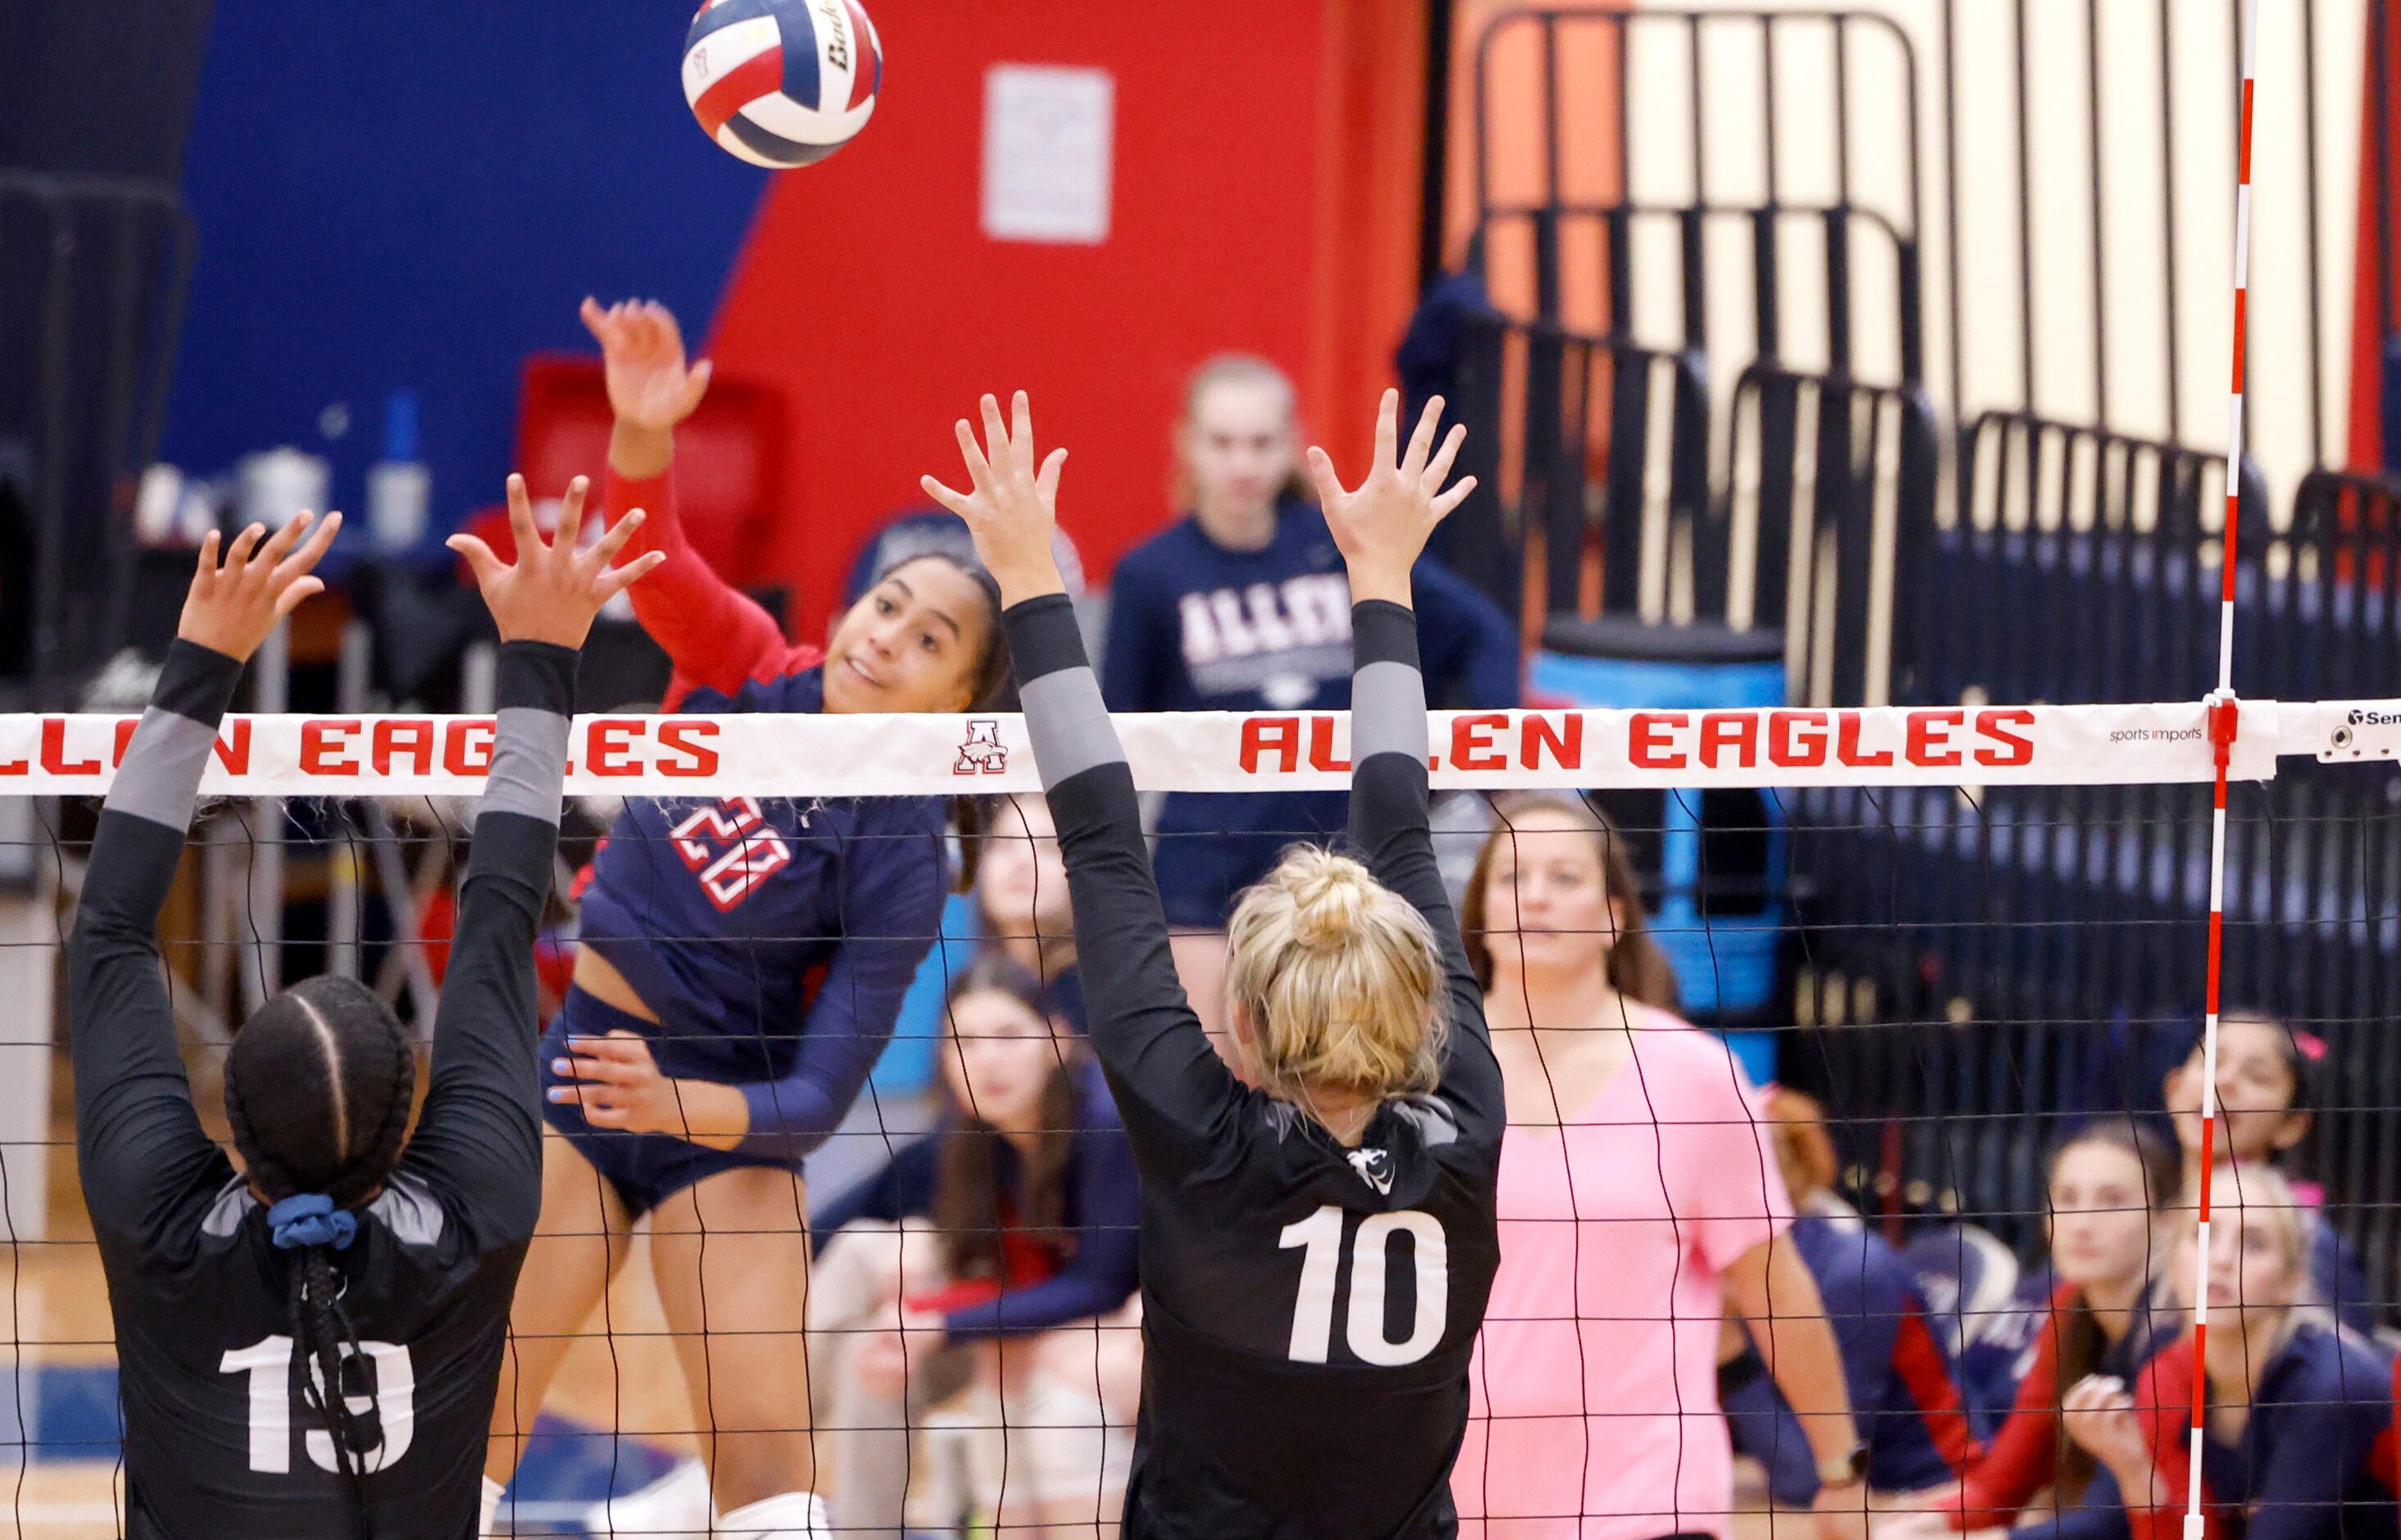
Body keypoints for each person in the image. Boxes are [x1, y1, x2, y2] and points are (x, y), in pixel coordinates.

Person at [923, 386, 1505, 1536]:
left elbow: (1093, 828)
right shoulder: (1469, 1125)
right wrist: (1384, 575)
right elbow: (1398, 821)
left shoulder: (1201, 1143)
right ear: (1419, 998)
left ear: (1240, 1015)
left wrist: (1027, 576)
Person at [488, 298, 1012, 1540]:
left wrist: (679, 1109)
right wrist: (641, 427)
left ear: (961, 700)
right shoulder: (749, 669)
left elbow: (821, 1100)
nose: (886, 637)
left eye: (930, 636)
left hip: (722, 1128)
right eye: (887, 604)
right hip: (582, 1083)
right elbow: (651, 550)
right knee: (466, 1437)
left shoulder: (901, 847)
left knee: (773, 1493)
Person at [70, 482, 660, 1538]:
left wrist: (204, 659)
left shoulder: (158, 1222)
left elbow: (109, 926)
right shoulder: (475, 1214)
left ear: (232, 1130)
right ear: (407, 1128)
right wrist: (542, 654)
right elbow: (500, 920)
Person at [1450, 791, 1866, 1540]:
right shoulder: (1425, 1068)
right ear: (1481, 910)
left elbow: (1774, 1287)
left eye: (1564, 877)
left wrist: (1842, 1469)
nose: (1536, 894)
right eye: (1513, 877)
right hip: (1448, 1494)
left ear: (1614, 915)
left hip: (1645, 1497)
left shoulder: (1693, 1075)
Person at [1100, 353, 1519, 1038]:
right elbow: (1118, 727)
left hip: (1346, 868)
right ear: (1187, 444)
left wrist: (1472, 762)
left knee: (1345, 1067)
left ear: (1292, 441)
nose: (1243, 463)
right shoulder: (1150, 574)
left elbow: (1481, 633)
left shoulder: (1339, 543)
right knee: (1214, 1080)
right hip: (1206, 873)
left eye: (1262, 442)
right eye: (1223, 442)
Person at [808, 955, 1139, 1538]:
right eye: (965, 1043)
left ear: (1058, 1041)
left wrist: (936, 1321)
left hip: (1131, 1328)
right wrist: (918, 1300)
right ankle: (762, 1458)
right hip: (1041, 1317)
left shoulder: (1106, 1123)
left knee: (1033, 1394)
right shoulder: (972, 1136)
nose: (987, 1059)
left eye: (1008, 1037)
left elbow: (1099, 1285)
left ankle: (744, 1457)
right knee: (875, 1345)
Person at [2058, 1162, 2396, 1540]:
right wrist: (2135, 1471)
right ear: (2173, 1261)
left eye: (2253, 1244)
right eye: (2203, 1236)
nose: (2219, 1260)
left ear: (2291, 1282)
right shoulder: (2166, 1375)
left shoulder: (2332, 1385)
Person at [1894, 1122, 2180, 1533]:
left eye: (2112, 1201)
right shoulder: (2067, 1309)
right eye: (2066, 1199)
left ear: (2168, 1221)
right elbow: (2000, 1488)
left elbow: (2110, 1522)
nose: (2081, 1223)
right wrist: (1911, 1522)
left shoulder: (2175, 1333)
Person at [1720, 1088, 1981, 1505]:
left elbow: (1816, 1479)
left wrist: (1728, 1350)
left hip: (1935, 1494)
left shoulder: (1853, 1272)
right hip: (1808, 1488)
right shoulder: (1717, 1263)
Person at [2162, 1014, 2371, 1333]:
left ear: (2292, 1126)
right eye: (2212, 1062)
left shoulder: (2309, 1244)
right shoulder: (2140, 1220)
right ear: (2173, 1090)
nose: (2224, 1082)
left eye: (2257, 1077)